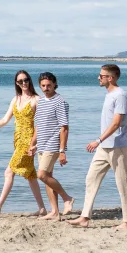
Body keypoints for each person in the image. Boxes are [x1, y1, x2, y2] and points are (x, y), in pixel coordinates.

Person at [69, 64, 127, 230]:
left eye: (101, 75)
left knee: (123, 182)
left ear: (110, 78)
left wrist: (97, 140)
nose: (98, 78)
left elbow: (116, 124)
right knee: (91, 178)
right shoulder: (109, 95)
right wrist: (100, 143)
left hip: (117, 146)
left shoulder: (120, 95)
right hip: (104, 147)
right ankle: (85, 217)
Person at [0, 71, 47, 216]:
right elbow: (6, 119)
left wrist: (35, 144)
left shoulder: (37, 100)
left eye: (26, 80)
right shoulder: (16, 99)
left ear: (30, 81)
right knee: (30, 176)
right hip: (18, 140)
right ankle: (42, 208)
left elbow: (42, 124)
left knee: (9, 171)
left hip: (28, 140)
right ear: (17, 83)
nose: (24, 83)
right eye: (20, 81)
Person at [28, 73, 75, 220]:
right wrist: (33, 144)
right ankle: (54, 212)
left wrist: (62, 151)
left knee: (41, 175)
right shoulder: (41, 101)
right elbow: (39, 126)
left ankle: (67, 198)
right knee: (48, 177)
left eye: (49, 85)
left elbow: (65, 128)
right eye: (43, 86)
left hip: (53, 144)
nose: (46, 88)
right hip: (42, 145)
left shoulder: (60, 102)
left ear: (55, 84)